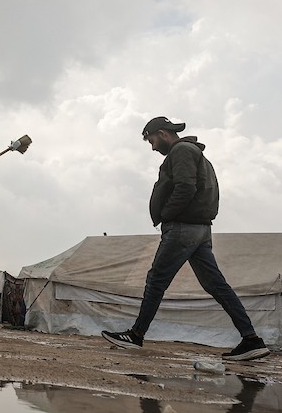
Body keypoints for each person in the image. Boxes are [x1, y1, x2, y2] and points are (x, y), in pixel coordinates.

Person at [102, 117, 271, 361]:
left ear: (162, 133)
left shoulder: (181, 151)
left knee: (156, 280)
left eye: (152, 140)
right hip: (200, 230)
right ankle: (251, 340)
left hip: (183, 228)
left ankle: (136, 335)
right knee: (216, 286)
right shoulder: (195, 153)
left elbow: (185, 187)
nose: (152, 147)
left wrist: (168, 215)